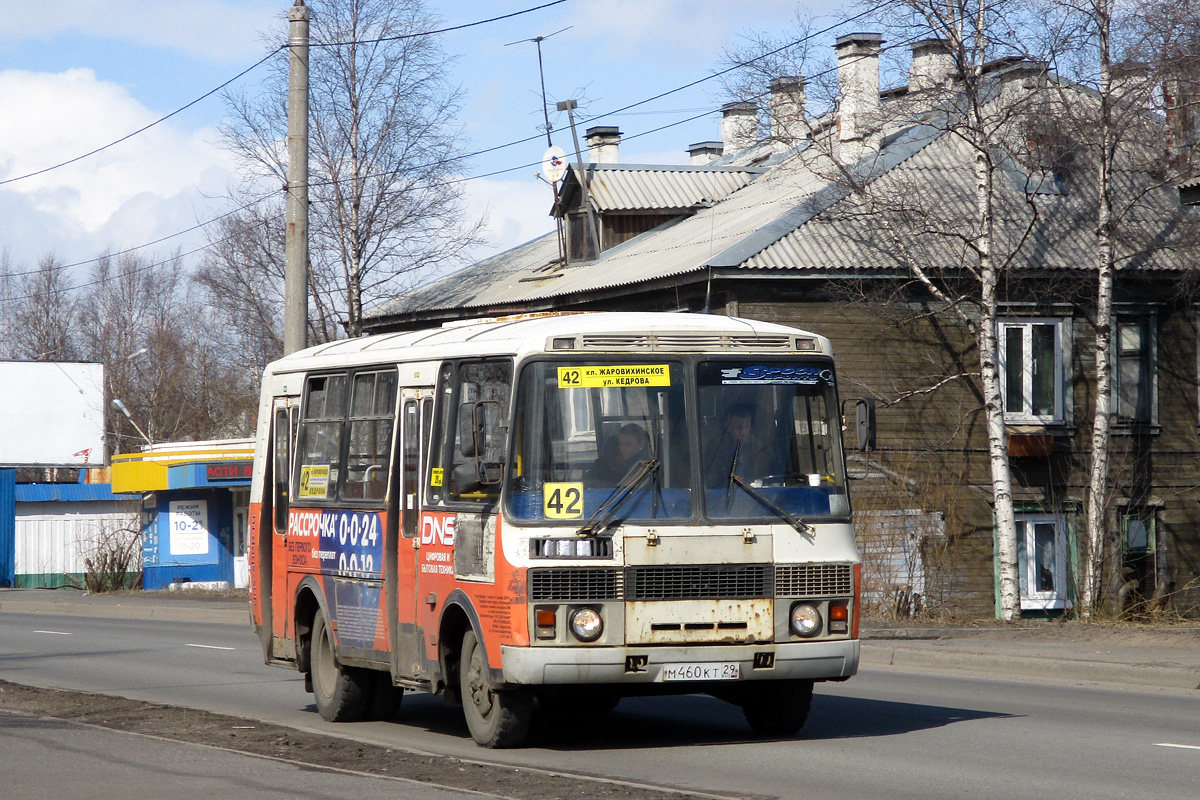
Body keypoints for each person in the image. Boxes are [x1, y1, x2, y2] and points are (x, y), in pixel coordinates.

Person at [703, 403, 766, 488]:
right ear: (728, 427)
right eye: (739, 428)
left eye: (746, 426)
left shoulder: (760, 448)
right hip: (725, 498)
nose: (743, 432)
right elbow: (711, 481)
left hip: (756, 496)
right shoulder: (716, 449)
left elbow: (768, 477)